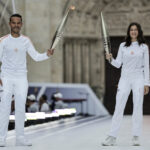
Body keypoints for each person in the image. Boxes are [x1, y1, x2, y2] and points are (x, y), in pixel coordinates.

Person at [0, 13, 54, 147]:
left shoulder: (26, 40)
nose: (16, 25)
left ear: (21, 24)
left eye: (18, 23)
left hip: (21, 78)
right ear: (10, 24)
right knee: (4, 108)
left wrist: (46, 55)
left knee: (20, 108)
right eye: (14, 23)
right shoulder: (3, 40)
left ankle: (20, 138)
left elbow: (35, 56)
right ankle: (1, 138)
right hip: (6, 77)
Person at [102, 22, 150, 146]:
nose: (133, 31)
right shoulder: (123, 46)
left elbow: (147, 66)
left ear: (139, 32)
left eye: (135, 30)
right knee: (119, 106)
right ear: (129, 32)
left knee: (138, 106)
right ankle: (112, 136)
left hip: (138, 77)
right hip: (125, 78)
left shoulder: (143, 47)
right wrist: (110, 59)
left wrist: (147, 83)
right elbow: (118, 64)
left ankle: (135, 136)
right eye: (131, 30)